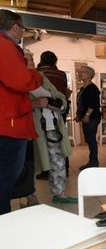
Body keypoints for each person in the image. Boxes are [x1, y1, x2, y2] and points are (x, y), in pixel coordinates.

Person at [0, 10, 43, 214]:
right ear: (15, 26)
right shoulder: (5, 46)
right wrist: (35, 74)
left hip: (7, 122)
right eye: (22, 29)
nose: (22, 34)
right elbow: (22, 81)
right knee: (5, 181)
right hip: (8, 126)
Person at [27, 52, 76, 204]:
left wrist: (59, 104)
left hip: (52, 125)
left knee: (58, 160)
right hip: (32, 129)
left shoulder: (41, 76)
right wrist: (33, 104)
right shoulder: (15, 79)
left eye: (31, 60)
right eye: (27, 61)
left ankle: (59, 193)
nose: (31, 63)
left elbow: (59, 95)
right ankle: (30, 196)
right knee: (31, 163)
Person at [37, 50, 71, 179]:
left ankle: (46, 171)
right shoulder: (61, 74)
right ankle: (65, 169)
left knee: (44, 140)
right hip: (59, 108)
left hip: (43, 110)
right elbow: (63, 90)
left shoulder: (39, 73)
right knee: (61, 138)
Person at [75, 66, 101, 169]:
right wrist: (79, 115)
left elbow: (93, 104)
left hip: (92, 117)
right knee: (89, 139)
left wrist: (87, 115)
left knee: (91, 139)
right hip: (86, 117)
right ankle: (92, 161)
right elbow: (81, 103)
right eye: (79, 72)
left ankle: (94, 162)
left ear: (90, 74)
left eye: (83, 72)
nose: (80, 74)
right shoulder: (83, 88)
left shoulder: (92, 88)